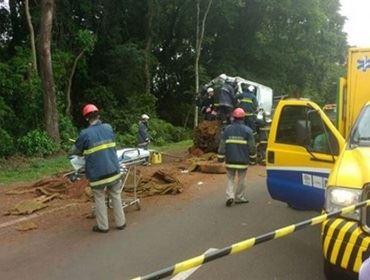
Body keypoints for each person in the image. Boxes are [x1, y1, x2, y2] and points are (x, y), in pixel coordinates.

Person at [69, 104, 126, 233]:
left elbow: (74, 151)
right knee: (116, 195)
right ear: (98, 115)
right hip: (113, 170)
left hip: (97, 174)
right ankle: (121, 223)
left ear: (86, 118)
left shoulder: (85, 134)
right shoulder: (108, 128)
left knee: (99, 198)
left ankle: (103, 226)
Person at [218, 108, 257, 207]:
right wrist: (253, 158)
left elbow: (222, 145)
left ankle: (229, 196)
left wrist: (220, 157)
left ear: (233, 118)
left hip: (230, 159)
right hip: (243, 160)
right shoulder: (248, 131)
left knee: (230, 179)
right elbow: (252, 147)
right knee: (241, 179)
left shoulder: (227, 130)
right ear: (243, 118)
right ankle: (239, 197)